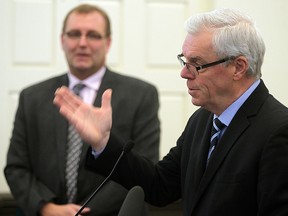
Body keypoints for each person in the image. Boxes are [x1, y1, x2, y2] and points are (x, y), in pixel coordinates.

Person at [53, 8, 288, 216]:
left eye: (196, 64)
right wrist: (103, 143)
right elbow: (160, 185)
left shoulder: (278, 130)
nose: (184, 74)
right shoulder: (203, 119)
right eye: (183, 61)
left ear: (238, 67)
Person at [4, 3, 160, 216]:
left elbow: (144, 165)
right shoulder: (31, 97)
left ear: (108, 42)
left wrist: (82, 213)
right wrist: (46, 207)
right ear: (62, 40)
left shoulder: (141, 95)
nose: (83, 43)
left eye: (93, 35)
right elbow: (16, 167)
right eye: (75, 34)